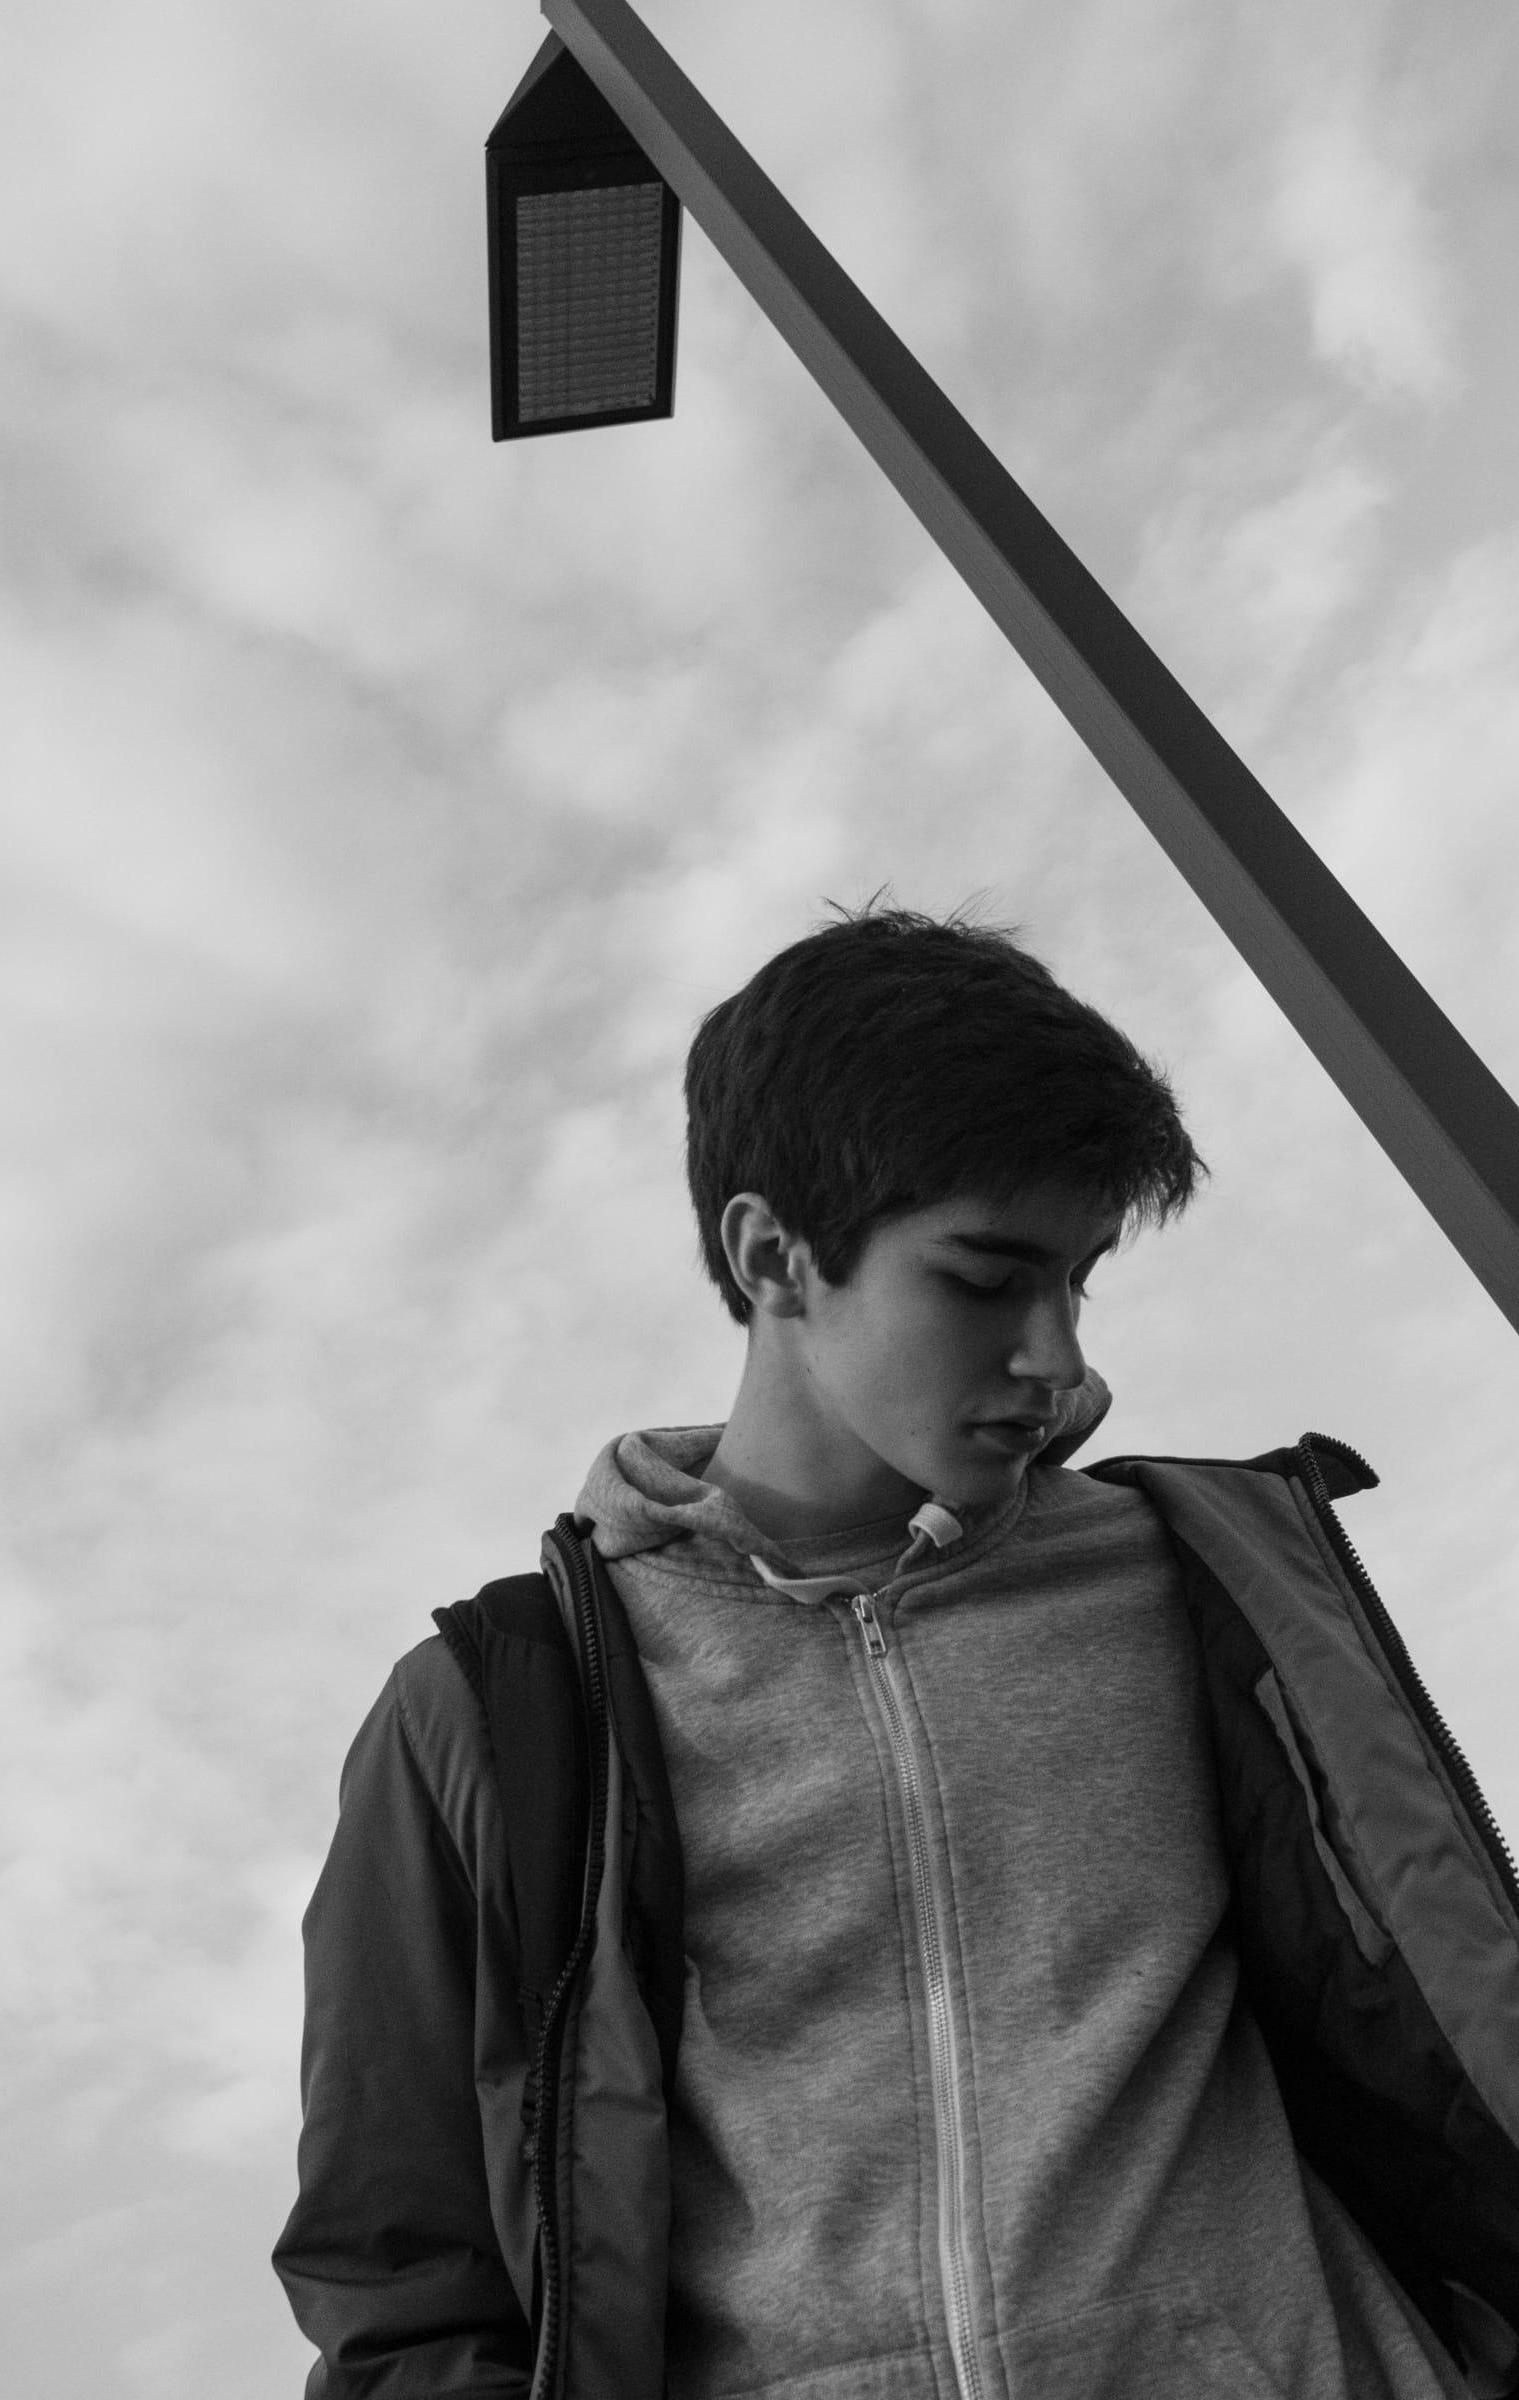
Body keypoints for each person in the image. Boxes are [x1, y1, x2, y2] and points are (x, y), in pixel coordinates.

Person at [273, 905, 1519, 2399]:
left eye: (1080, 1279)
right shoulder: (495, 1713)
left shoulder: (1207, 1586)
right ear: (775, 1256)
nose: (1056, 1356)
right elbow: (403, 2275)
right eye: (986, 1280)